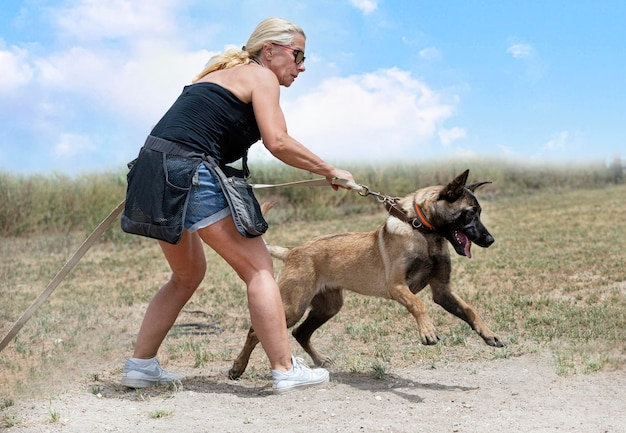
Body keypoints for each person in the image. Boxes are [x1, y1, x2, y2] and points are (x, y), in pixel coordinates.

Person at [121, 17, 355, 394]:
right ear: (270, 50)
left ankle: (141, 367)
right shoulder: (259, 76)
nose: (302, 65)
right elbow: (277, 141)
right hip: (188, 172)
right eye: (297, 55)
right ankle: (284, 369)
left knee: (187, 275)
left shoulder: (220, 76)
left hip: (153, 171)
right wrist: (329, 170)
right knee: (259, 270)